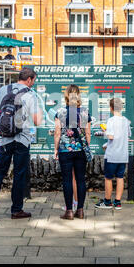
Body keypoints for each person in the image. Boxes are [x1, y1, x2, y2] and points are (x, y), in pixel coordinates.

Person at [0, 68, 42, 219]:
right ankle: (16, 210)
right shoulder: (30, 94)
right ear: (29, 79)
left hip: (4, 139)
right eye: (33, 80)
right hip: (21, 139)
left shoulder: (3, 89)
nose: (33, 83)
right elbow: (37, 121)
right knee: (19, 174)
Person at [54, 84, 91, 220]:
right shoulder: (85, 112)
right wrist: (85, 146)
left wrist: (55, 149)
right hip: (81, 149)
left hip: (65, 149)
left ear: (66, 96)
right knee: (81, 180)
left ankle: (69, 211)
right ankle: (80, 211)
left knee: (67, 180)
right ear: (79, 95)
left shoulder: (60, 112)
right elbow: (88, 134)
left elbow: (57, 133)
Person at [95, 98, 131, 210]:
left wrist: (104, 132)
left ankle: (107, 202)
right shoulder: (126, 121)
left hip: (112, 155)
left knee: (108, 178)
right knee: (120, 177)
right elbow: (127, 136)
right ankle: (118, 202)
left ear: (111, 108)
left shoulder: (111, 120)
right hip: (123, 155)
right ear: (121, 107)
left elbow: (110, 136)